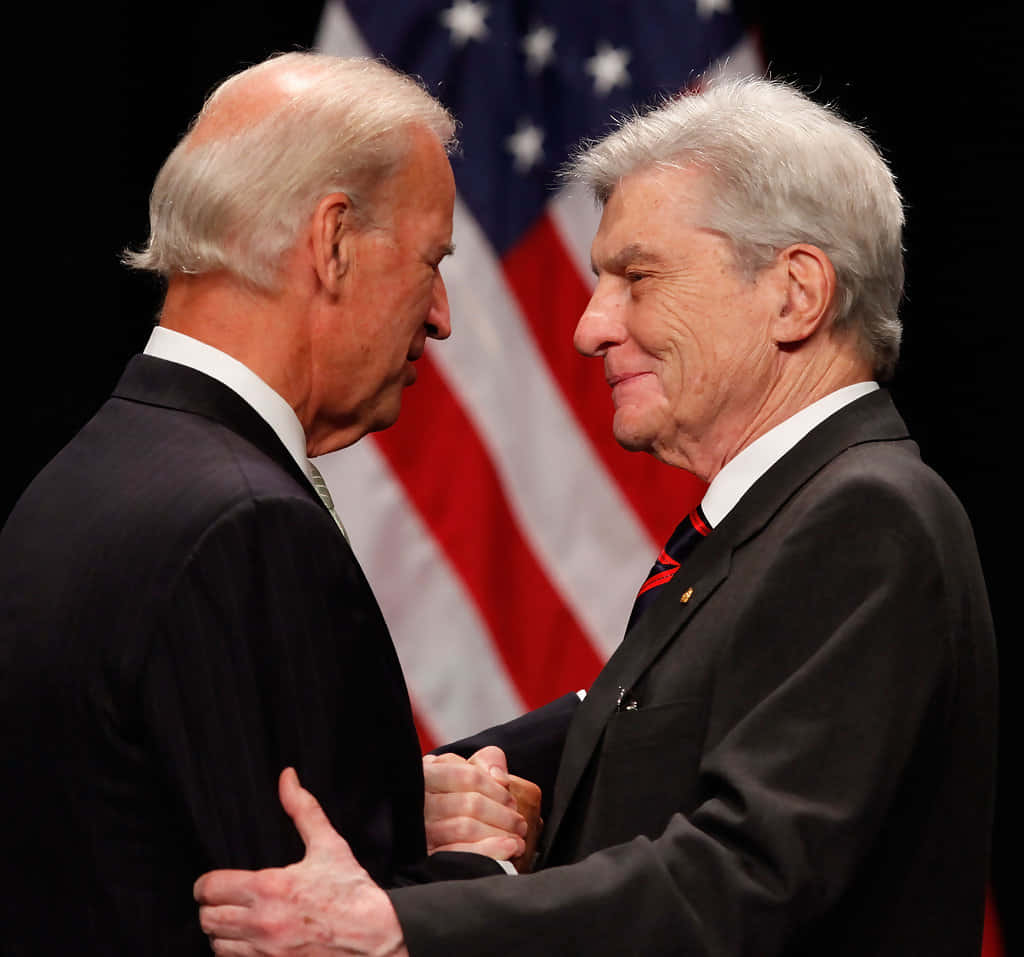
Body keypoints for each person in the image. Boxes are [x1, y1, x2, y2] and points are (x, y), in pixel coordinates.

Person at [194, 75, 998, 957]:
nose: (589, 326)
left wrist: (396, 926)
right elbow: (632, 716)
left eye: (637, 277)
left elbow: (744, 875)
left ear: (795, 293)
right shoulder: (786, 514)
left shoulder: (867, 518)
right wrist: (416, 788)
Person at [0, 52, 531, 957]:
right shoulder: (246, 525)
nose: (440, 315)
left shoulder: (86, 473)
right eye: (431, 261)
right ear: (331, 243)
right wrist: (485, 872)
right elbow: (295, 926)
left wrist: (400, 798)